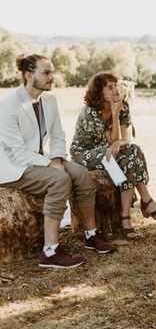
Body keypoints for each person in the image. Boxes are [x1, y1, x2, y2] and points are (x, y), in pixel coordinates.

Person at [0, 54, 116, 268]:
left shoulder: (49, 100)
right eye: (46, 73)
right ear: (28, 75)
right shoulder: (7, 103)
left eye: (52, 72)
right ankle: (50, 251)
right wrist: (52, 165)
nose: (52, 77)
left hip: (40, 158)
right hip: (12, 166)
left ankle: (91, 235)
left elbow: (58, 135)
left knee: (80, 174)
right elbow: (16, 152)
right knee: (59, 179)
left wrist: (56, 158)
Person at [70, 72, 156, 239]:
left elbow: (126, 138)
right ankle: (146, 202)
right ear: (99, 92)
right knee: (123, 155)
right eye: (110, 87)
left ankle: (126, 215)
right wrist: (115, 116)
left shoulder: (122, 105)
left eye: (116, 85)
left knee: (134, 151)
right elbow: (112, 143)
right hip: (85, 154)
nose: (116, 89)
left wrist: (118, 141)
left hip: (108, 152)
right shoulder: (90, 112)